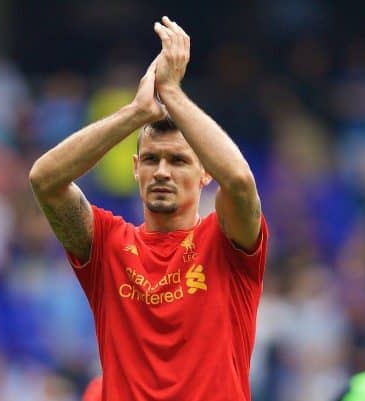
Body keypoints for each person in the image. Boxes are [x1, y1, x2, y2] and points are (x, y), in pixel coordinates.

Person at [30, 16, 267, 401]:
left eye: (178, 161)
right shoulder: (107, 245)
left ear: (205, 173)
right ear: (135, 169)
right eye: (152, 160)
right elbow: (45, 180)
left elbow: (240, 181)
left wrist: (171, 93)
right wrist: (137, 112)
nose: (162, 172)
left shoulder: (226, 243)